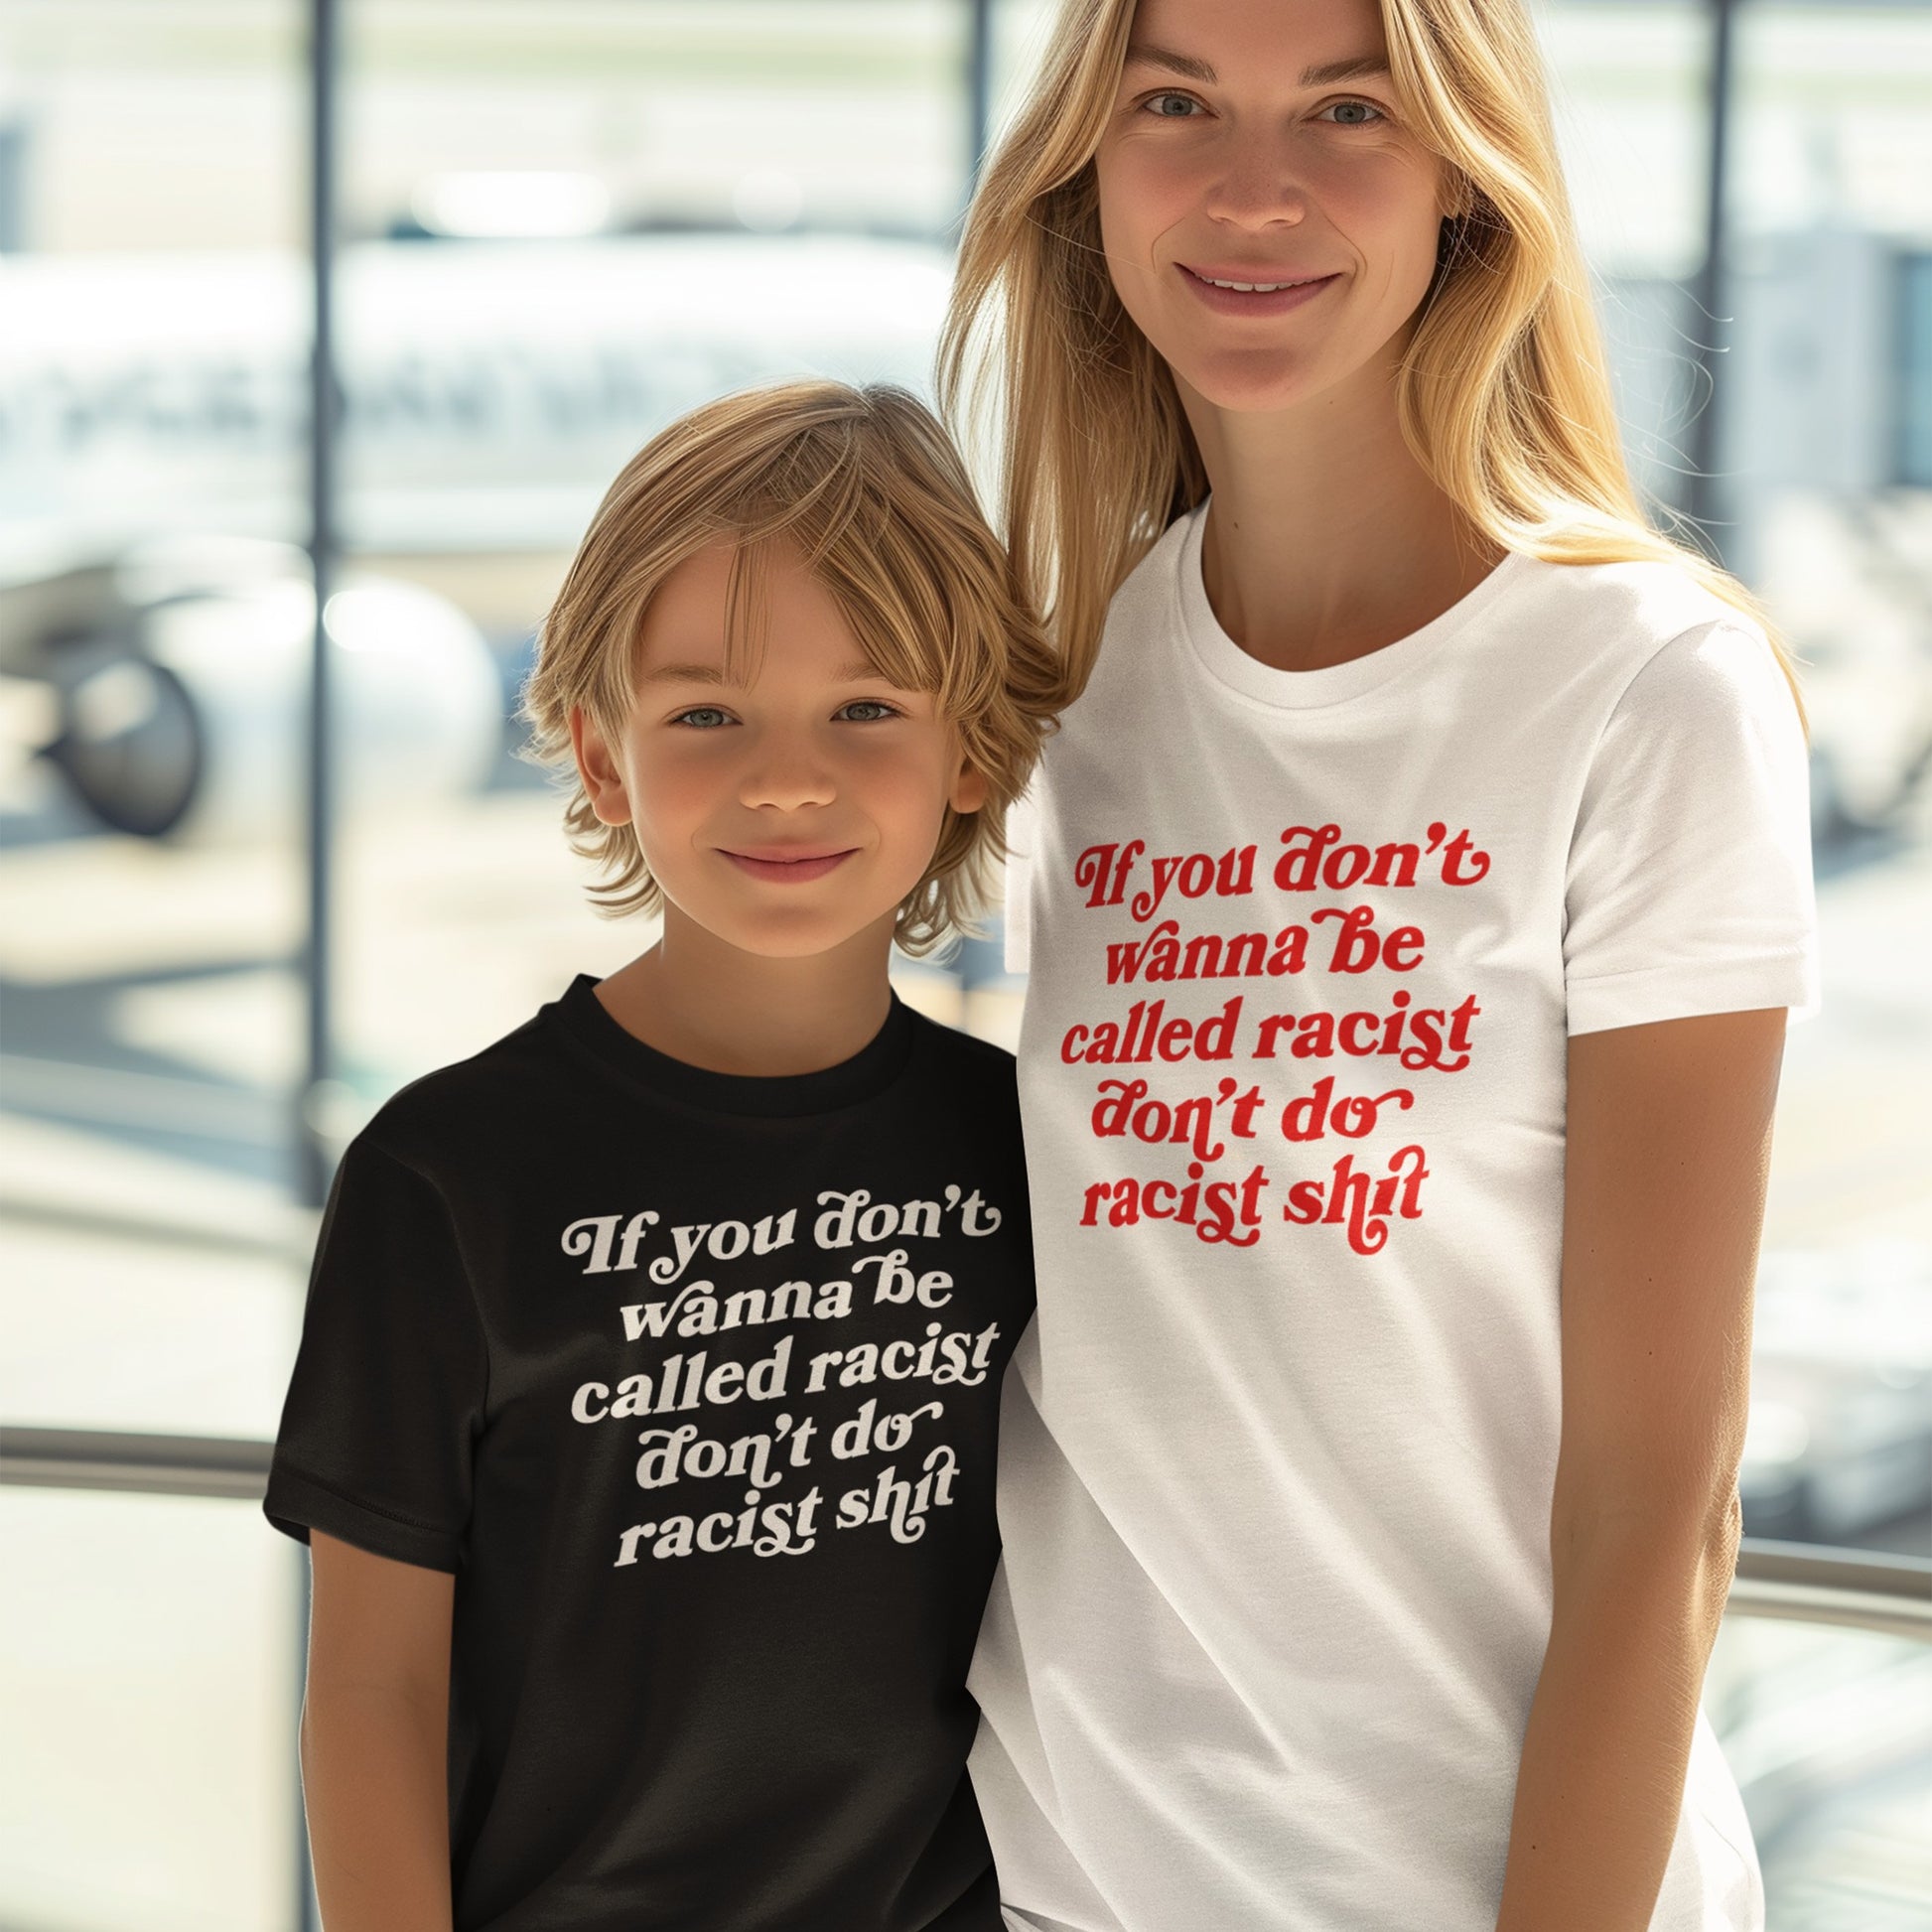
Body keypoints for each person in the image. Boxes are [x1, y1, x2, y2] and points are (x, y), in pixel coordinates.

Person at [937, 1, 1817, 1928]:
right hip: (1065, 1881)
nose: (1252, 188)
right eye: (1177, 101)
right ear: (1089, 168)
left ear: (1463, 186)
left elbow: (1656, 1509)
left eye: (1348, 110)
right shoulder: (1080, 683)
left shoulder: (1645, 689)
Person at [263, 379, 1060, 1932]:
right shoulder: (444, 1174)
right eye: (705, 713)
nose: (786, 776)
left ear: (971, 748)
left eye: (865, 708)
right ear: (602, 756)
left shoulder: (1030, 1152)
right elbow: (370, 1689)